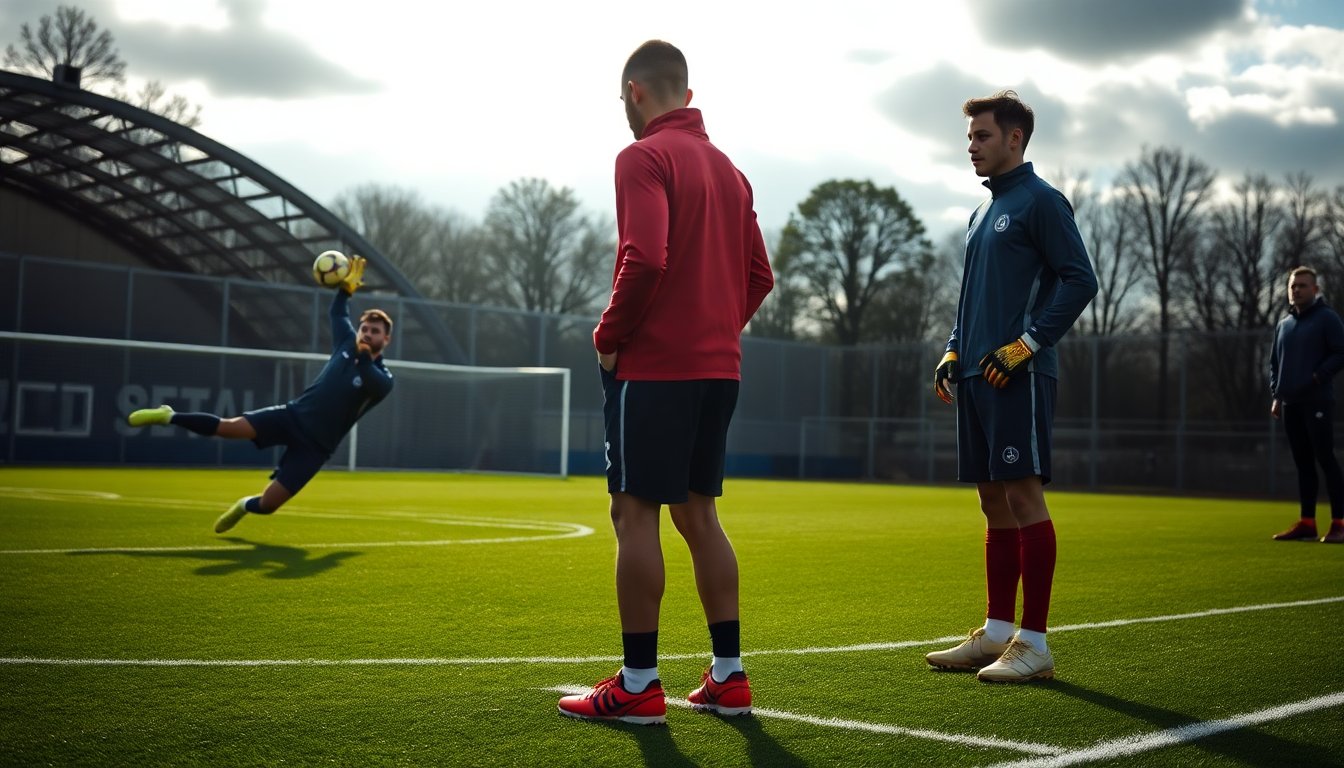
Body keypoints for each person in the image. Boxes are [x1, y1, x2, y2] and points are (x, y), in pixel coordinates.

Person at [556, 40, 773, 725]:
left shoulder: (642, 157)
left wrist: (608, 337)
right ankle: (729, 676)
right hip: (719, 368)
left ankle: (640, 685)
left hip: (654, 370)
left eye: (623, 99)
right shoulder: (731, 173)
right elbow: (759, 275)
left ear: (635, 91)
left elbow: (645, 259)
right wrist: (713, 329)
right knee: (700, 515)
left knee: (633, 513)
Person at [926, 90, 1097, 683]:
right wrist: (953, 348)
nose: (970, 145)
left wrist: (1027, 344)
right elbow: (971, 298)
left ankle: (1036, 642)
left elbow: (1080, 280)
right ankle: (997, 632)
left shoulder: (1042, 203)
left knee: (1023, 496)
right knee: (991, 500)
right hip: (975, 373)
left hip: (1017, 374)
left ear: (1015, 139)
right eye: (970, 136)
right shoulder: (981, 213)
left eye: (982, 136)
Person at [126, 256, 394, 534]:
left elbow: (369, 377)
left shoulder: (385, 380)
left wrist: (363, 356)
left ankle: (243, 505)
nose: (366, 333)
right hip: (291, 416)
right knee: (227, 427)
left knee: (268, 505)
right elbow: (338, 314)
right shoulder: (345, 345)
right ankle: (169, 416)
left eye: (375, 331)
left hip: (315, 448)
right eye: (364, 328)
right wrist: (345, 291)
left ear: (386, 340)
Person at [1269, 266, 1344, 544]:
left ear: (1315, 290)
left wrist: (1317, 376)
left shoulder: (1327, 318)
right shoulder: (1283, 325)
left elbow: (1341, 352)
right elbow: (1275, 365)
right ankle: (1307, 522)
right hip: (1291, 403)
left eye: (1302, 285)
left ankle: (1339, 523)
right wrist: (1277, 396)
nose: (1296, 290)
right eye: (1293, 286)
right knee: (1303, 463)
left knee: (1325, 458)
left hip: (1318, 400)